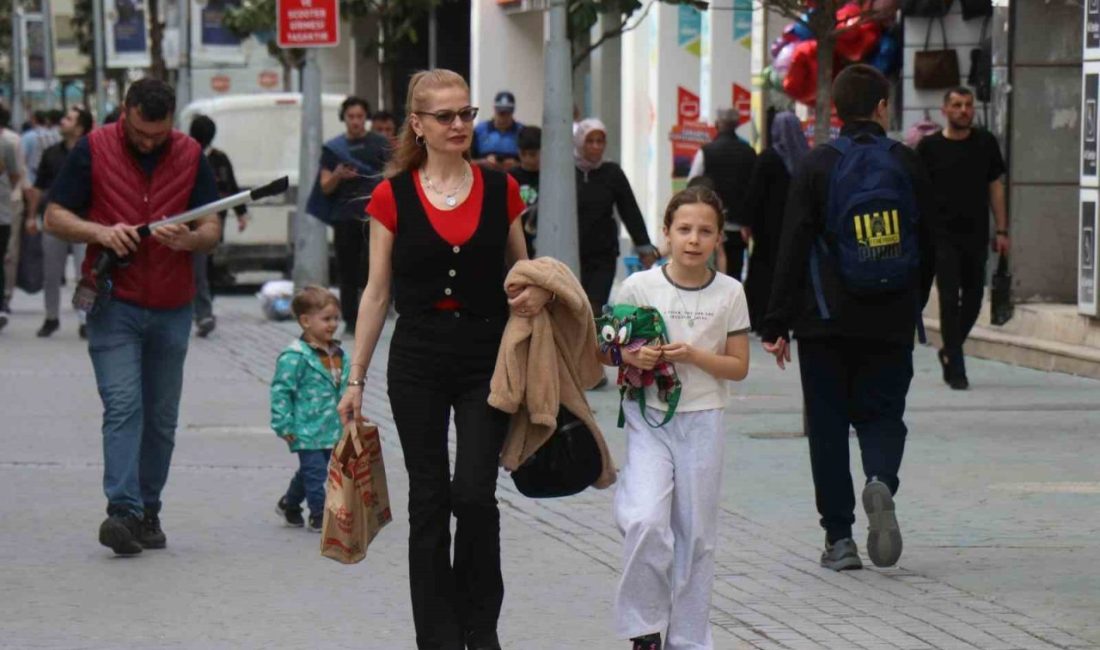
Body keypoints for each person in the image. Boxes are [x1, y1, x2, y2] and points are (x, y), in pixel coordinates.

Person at [336, 69, 546, 650]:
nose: (460, 125)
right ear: (418, 125)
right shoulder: (391, 195)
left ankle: (481, 628)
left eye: (466, 114)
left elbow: (521, 273)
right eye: (446, 117)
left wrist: (534, 293)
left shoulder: (502, 189)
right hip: (418, 358)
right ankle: (438, 636)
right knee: (428, 497)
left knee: (474, 493)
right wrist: (354, 379)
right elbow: (376, 292)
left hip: (486, 355)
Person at [760, 64, 937, 572]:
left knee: (829, 428)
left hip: (824, 321)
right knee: (883, 413)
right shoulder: (906, 162)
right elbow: (929, 246)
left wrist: (775, 322)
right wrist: (912, 302)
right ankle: (880, 478)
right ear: (883, 107)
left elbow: (790, 246)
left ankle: (840, 539)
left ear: (835, 110)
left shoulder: (816, 165)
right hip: (890, 318)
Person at [44, 79, 221, 556]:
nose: (148, 142)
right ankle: (121, 510)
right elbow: (54, 216)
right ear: (125, 111)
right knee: (124, 406)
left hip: (172, 304)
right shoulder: (93, 148)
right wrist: (100, 231)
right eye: (140, 133)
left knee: (161, 418)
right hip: (112, 301)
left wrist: (192, 239)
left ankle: (148, 509)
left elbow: (212, 224)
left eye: (157, 135)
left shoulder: (188, 153)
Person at [606, 186, 750, 650]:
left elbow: (738, 366)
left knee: (697, 536)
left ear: (716, 240)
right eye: (684, 229)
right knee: (646, 519)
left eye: (705, 231)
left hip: (704, 419)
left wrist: (694, 355)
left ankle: (688, 640)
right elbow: (606, 349)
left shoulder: (731, 292)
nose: (693, 239)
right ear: (665, 233)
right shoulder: (639, 286)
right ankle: (643, 628)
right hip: (649, 417)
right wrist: (634, 355)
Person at [917, 86, 1008, 390]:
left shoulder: (985, 143)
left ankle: (949, 348)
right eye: (956, 105)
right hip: (941, 236)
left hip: (976, 234)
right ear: (945, 110)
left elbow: (996, 187)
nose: (964, 110)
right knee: (947, 297)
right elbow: (917, 193)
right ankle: (956, 366)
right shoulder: (929, 148)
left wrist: (1002, 230)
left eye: (968, 105)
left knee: (974, 299)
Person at [308, 96, 390, 333]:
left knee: (372, 268)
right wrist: (338, 175)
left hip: (374, 216)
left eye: (360, 117)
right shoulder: (334, 149)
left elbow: (393, 177)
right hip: (344, 216)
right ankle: (351, 320)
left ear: (366, 118)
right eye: (351, 117)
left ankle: (372, 315)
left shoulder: (379, 144)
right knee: (347, 270)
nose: (355, 122)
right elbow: (325, 186)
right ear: (344, 118)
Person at [271, 285, 348, 532]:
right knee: (316, 474)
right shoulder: (294, 356)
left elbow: (345, 386)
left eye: (335, 318)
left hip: (330, 427)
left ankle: (289, 503)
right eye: (326, 319)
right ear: (305, 321)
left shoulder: (337, 353)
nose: (333, 324)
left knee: (309, 471)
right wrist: (283, 423)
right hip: (304, 427)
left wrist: (351, 413)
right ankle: (319, 515)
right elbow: (281, 391)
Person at [575, 117, 658, 315]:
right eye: (590, 141)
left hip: (603, 254)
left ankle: (593, 346)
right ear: (579, 142)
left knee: (594, 307)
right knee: (574, 308)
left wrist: (644, 246)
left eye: (600, 141)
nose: (595, 147)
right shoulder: (567, 172)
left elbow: (629, 209)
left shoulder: (612, 172)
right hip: (572, 254)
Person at [27, 105, 95, 338]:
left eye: (69, 119)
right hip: (54, 222)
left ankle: (85, 319)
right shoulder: (51, 153)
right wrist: (31, 216)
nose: (63, 122)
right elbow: (38, 187)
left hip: (84, 223)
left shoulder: (92, 153)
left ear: (80, 127)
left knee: (85, 275)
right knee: (51, 274)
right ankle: (51, 317)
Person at [743, 111, 809, 328]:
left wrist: (748, 223)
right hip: (797, 226)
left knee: (764, 272)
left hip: (767, 229)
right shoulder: (806, 160)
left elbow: (754, 195)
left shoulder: (768, 158)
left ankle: (763, 317)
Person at [188, 114, 250, 338]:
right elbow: (232, 187)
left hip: (213, 219)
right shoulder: (188, 155)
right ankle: (201, 310)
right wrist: (241, 214)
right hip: (189, 220)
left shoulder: (218, 159)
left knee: (206, 266)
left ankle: (204, 309)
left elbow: (231, 188)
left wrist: (241, 213)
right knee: (199, 268)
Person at [688, 109, 757, 281]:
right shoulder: (749, 152)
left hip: (709, 224)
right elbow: (754, 187)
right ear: (737, 126)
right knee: (734, 273)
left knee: (710, 273)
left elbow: (692, 184)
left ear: (717, 125)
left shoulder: (706, 151)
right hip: (739, 227)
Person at [0, 102, 24, 332]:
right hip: (7, 206)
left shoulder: (8, 142)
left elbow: (16, 175)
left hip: (3, 210)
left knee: (3, 256)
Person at [471, 91, 523, 171]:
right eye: (501, 113)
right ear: (494, 109)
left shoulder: (522, 132)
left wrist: (517, 165)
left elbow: (533, 161)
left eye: (507, 113)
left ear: (512, 111)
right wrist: (483, 162)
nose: (504, 117)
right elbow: (466, 161)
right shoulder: (479, 130)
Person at [509, 125, 540, 257]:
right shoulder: (510, 178)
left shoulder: (551, 178)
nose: (527, 159)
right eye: (523, 154)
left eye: (532, 154)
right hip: (518, 241)